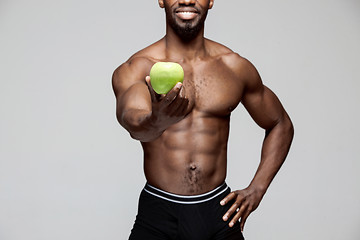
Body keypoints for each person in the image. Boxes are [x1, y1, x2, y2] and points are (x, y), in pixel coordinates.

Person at [112, 0, 294, 239]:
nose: (187, 0)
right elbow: (134, 124)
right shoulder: (138, 68)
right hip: (159, 214)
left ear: (210, 1)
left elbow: (280, 123)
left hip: (218, 214)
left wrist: (257, 189)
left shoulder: (234, 67)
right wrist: (158, 120)